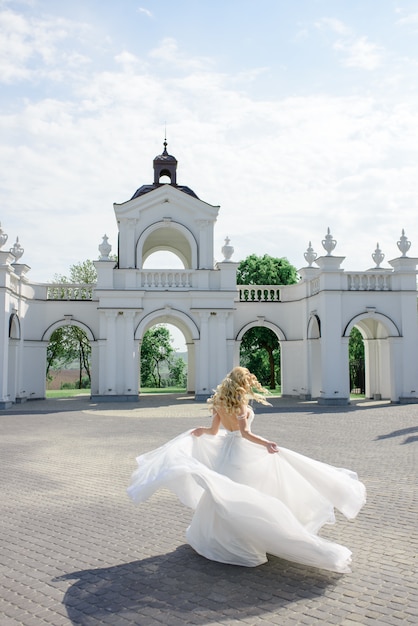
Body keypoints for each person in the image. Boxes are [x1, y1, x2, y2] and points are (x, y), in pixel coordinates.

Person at [128, 367, 366, 573]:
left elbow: (212, 432)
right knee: (249, 493)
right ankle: (247, 540)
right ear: (241, 383)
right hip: (242, 452)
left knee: (224, 495)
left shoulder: (219, 402)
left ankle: (223, 538)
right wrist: (267, 444)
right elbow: (245, 434)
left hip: (226, 453)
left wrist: (200, 430)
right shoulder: (240, 403)